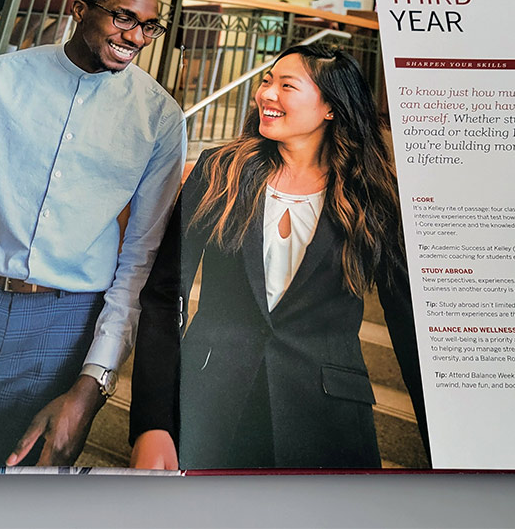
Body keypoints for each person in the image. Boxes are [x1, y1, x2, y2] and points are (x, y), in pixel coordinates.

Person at [0, 0, 186, 468]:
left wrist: (95, 380)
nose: (136, 36)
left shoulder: (160, 119)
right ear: (79, 9)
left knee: (16, 496)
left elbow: (139, 261)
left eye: (148, 26)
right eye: (122, 18)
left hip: (60, 329)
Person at [128, 44, 429, 469]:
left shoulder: (372, 196)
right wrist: (152, 422)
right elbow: (164, 295)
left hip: (327, 420)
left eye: (287, 85)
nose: (266, 93)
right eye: (267, 80)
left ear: (331, 107)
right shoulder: (220, 171)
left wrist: (447, 445)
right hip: (210, 401)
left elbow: (409, 323)